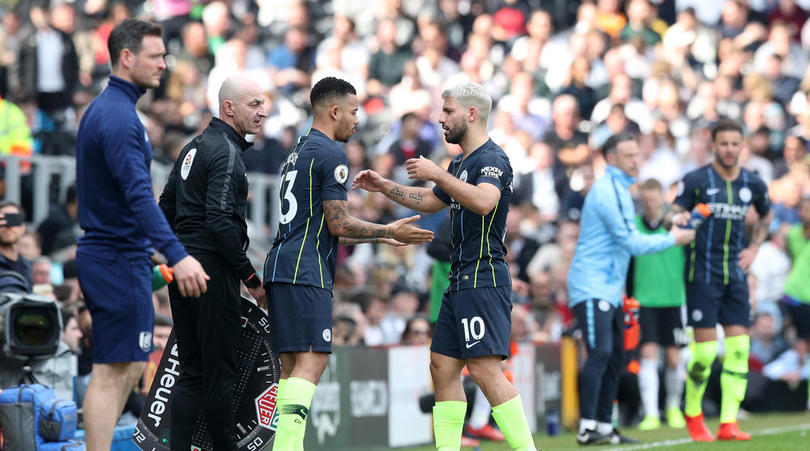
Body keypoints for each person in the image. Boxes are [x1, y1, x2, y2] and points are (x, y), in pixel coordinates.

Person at [354, 81, 537, 451]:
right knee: (441, 366)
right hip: (459, 280)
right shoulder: (461, 163)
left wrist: (439, 174)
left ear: (472, 114)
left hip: (483, 277)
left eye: (448, 110)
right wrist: (385, 186)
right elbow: (432, 201)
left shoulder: (492, 160)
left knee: (485, 370)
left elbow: (485, 202)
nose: (441, 118)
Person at [264, 76, 433, 450]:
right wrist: (388, 227)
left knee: (292, 368)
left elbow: (327, 228)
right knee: (312, 363)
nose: (358, 120)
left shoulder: (297, 151)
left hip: (282, 265)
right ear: (334, 110)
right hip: (305, 269)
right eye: (355, 111)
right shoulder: (331, 153)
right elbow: (338, 222)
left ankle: (286, 445)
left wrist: (385, 235)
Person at [74, 19, 208, 451]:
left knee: (129, 365)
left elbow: (129, 197)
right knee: (113, 370)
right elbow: (138, 196)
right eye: (155, 55)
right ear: (126, 57)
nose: (164, 64)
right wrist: (176, 254)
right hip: (113, 257)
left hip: (120, 255)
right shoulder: (118, 119)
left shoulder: (113, 110)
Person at [158, 74, 268, 450]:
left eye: (263, 104)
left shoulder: (192, 147)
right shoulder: (224, 151)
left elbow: (164, 209)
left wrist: (179, 254)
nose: (263, 112)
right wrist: (250, 277)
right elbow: (220, 221)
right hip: (210, 272)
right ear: (229, 107)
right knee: (220, 376)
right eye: (254, 104)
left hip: (183, 270)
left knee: (193, 374)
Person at [567, 134, 695, 445]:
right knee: (601, 354)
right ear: (611, 158)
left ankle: (603, 426)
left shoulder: (621, 190)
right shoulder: (607, 191)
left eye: (637, 155)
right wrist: (672, 239)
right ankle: (587, 426)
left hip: (609, 288)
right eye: (628, 156)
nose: (635, 161)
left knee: (617, 357)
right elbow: (629, 241)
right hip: (591, 285)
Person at [671, 119, 772, 442]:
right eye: (723, 143)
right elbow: (674, 209)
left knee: (740, 348)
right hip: (702, 274)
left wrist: (755, 247)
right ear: (712, 145)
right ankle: (693, 412)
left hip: (736, 275)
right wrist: (680, 218)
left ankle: (729, 422)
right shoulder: (697, 179)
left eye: (734, 143)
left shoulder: (753, 183)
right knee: (704, 353)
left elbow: (766, 214)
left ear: (742, 146)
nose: (729, 149)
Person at [628, 179, 688, 430]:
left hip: (674, 299)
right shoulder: (634, 226)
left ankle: (673, 407)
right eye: (646, 200)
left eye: (654, 200)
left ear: (662, 198)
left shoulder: (676, 225)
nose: (650, 205)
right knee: (648, 354)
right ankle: (651, 413)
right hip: (646, 300)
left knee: (674, 358)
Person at [782, 195, 810, 410]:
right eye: (804, 209)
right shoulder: (792, 234)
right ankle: (800, 388)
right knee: (800, 342)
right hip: (796, 294)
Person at [0, 200, 33, 289]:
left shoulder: (30, 267)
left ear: (23, 228)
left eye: (13, 219)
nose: (8, 226)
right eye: (2, 220)